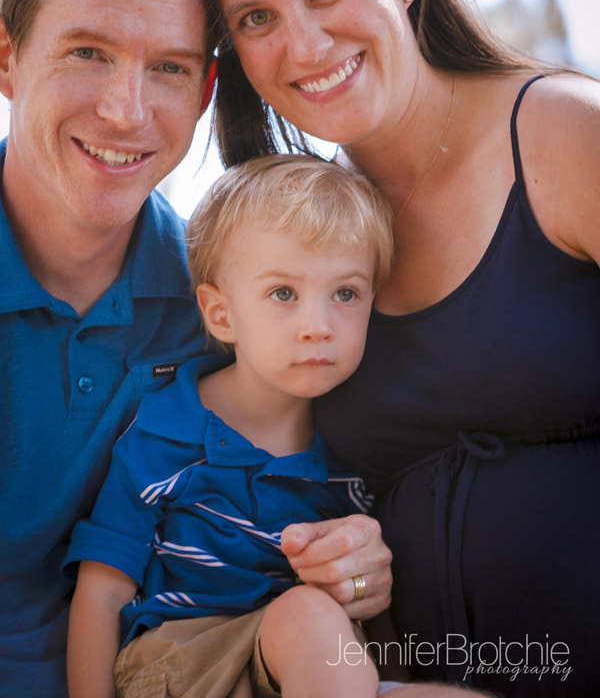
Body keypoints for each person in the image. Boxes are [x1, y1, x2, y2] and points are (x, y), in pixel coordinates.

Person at [193, 0, 600, 696]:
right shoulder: (292, 247)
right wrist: (348, 554)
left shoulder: (563, 139)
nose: (304, 44)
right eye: (257, 17)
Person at [0, 0, 392, 698]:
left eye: (169, 68)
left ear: (207, 91)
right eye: (87, 52)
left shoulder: (228, 308)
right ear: (7, 58)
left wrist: (355, 565)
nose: (125, 110)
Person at [64, 153, 408, 698]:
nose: (318, 327)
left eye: (345, 293)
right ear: (221, 314)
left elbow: (365, 603)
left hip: (307, 672)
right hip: (181, 664)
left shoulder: (358, 452)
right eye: (283, 294)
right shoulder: (166, 432)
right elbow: (102, 592)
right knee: (309, 618)